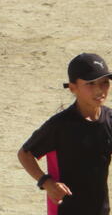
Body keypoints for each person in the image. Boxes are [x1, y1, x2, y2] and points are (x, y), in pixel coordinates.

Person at [17, 53, 112, 215]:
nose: (99, 89)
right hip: (65, 209)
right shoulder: (60, 125)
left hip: (100, 209)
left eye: (104, 82)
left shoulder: (109, 119)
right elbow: (25, 154)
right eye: (90, 83)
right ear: (73, 87)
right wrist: (46, 182)